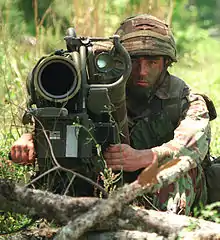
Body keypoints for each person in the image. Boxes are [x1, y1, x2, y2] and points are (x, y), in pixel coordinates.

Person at [10, 14, 214, 215]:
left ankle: (162, 228)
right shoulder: (97, 90)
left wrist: (143, 157)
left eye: (152, 62)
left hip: (161, 185)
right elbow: (63, 123)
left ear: (166, 63)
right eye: (134, 61)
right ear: (120, 61)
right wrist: (32, 140)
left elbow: (191, 146)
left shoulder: (185, 99)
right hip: (108, 183)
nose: (142, 71)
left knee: (176, 169)